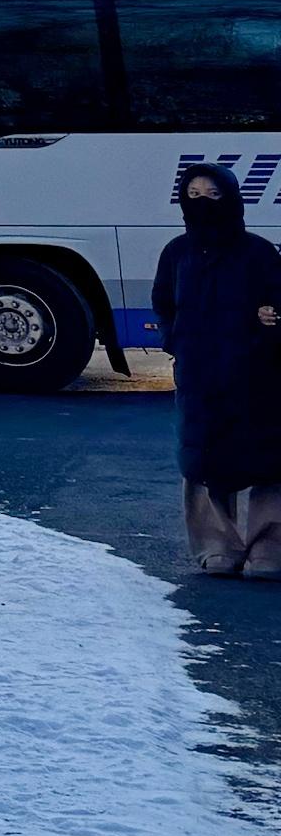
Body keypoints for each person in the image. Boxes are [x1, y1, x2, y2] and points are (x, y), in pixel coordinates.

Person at [154, 161, 281, 579]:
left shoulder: (259, 251)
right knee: (202, 460)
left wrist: (270, 321)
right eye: (193, 196)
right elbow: (164, 304)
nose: (203, 203)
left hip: (256, 374)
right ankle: (217, 547)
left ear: (230, 197)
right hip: (199, 376)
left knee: (269, 460)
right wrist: (175, 341)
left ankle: (269, 549)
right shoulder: (176, 252)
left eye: (212, 195)